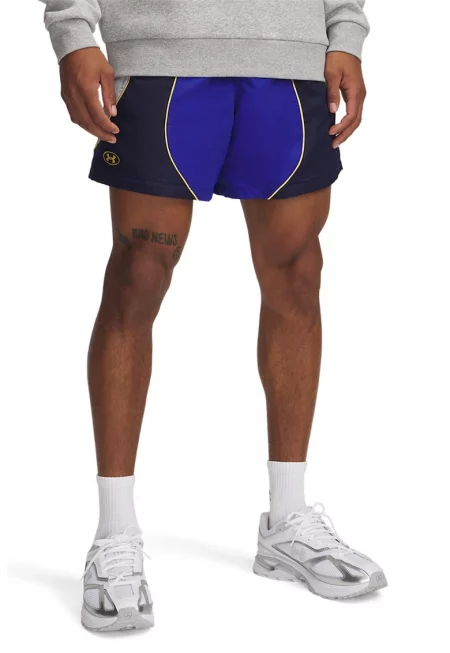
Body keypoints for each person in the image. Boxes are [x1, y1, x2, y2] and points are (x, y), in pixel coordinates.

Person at [42, 0, 387, 632]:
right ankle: (114, 534)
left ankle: (287, 521)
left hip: (290, 59)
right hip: (159, 55)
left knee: (297, 275)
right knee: (138, 275)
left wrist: (345, 30)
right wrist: (72, 30)